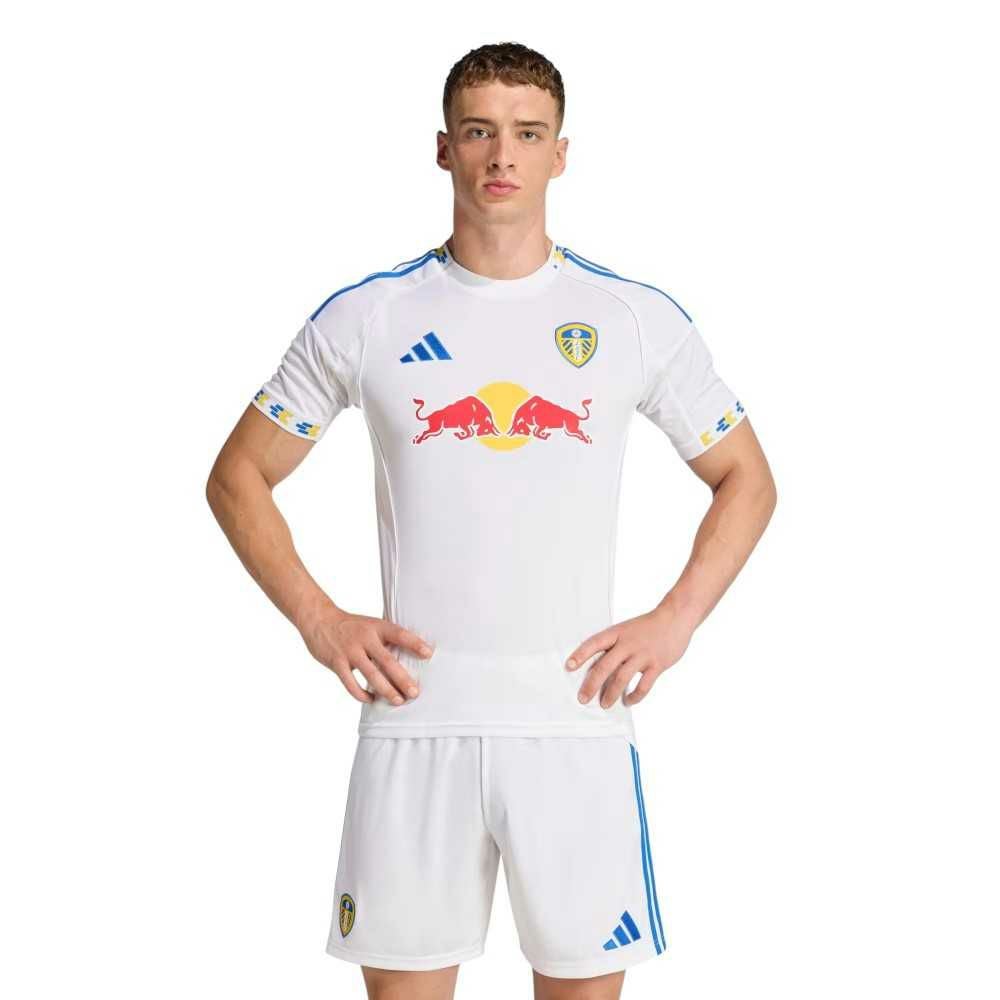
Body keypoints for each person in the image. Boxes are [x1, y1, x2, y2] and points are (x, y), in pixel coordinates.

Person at [206, 40, 776, 1000]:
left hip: (574, 720)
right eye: (478, 131)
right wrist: (319, 618)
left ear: (561, 153)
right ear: (443, 148)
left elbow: (746, 478)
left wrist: (675, 620)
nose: (502, 155)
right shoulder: (368, 317)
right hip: (415, 718)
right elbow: (238, 476)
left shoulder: (630, 318)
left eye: (527, 133)